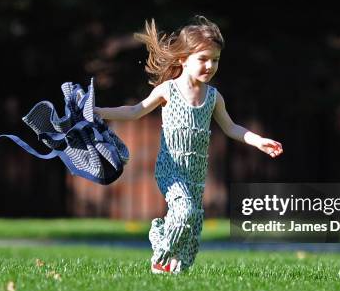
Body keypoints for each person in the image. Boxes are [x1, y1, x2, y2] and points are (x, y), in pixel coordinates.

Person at [95, 16, 283, 274]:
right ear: (183, 59)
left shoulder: (214, 97)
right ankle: (160, 255)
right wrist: (98, 112)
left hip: (196, 174)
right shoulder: (168, 90)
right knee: (183, 212)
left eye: (215, 59)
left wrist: (257, 140)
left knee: (192, 229)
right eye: (203, 59)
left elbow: (231, 128)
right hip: (170, 168)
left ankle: (175, 266)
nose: (210, 65)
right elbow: (134, 111)